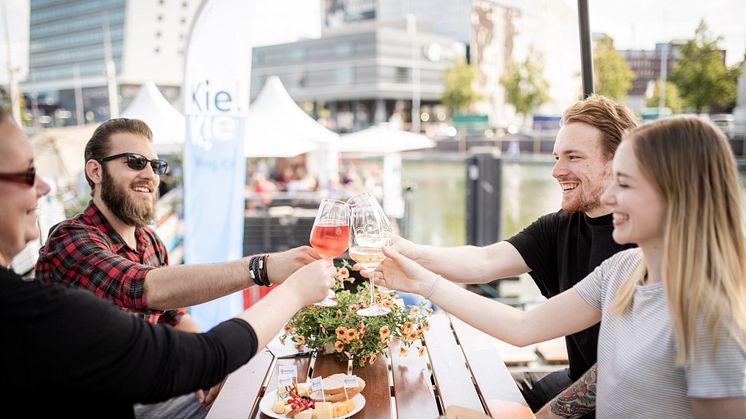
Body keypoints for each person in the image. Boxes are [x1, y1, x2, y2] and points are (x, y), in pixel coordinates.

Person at [375, 116, 746, 418]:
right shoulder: (622, 270)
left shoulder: (713, 318)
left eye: (626, 183)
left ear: (675, 193)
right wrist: (421, 281)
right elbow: (522, 326)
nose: (612, 196)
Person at [0, 106, 337, 418]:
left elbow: (174, 318)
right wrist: (261, 268)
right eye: (134, 162)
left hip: (150, 386)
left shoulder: (148, 240)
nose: (149, 174)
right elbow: (144, 287)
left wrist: (211, 372)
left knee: (264, 393)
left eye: (155, 165)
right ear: (95, 171)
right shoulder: (71, 240)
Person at [385, 95, 638, 415]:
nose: (557, 171)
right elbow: (485, 261)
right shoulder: (562, 226)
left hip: (617, 405)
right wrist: (410, 252)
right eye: (557, 157)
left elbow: (615, 373)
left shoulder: (641, 249)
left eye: (573, 157)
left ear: (617, 162)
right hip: (576, 381)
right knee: (452, 398)